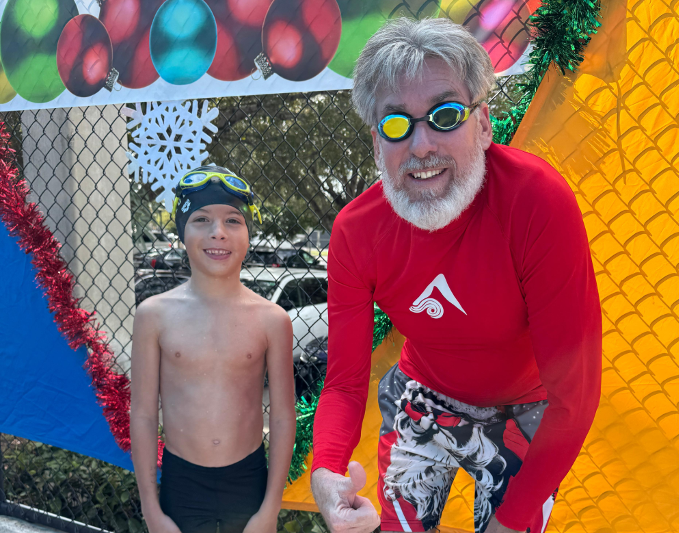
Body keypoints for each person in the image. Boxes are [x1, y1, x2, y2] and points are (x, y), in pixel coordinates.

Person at [311, 18, 602, 533]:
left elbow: (573, 397)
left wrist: (512, 520)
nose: (421, 145)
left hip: (527, 406)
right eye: (395, 124)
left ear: (484, 124)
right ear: (377, 145)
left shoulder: (537, 202)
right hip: (424, 395)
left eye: (445, 115)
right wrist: (326, 472)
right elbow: (344, 383)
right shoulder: (357, 232)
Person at [130, 166, 296, 533]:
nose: (217, 232)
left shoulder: (272, 320)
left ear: (248, 235)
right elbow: (142, 414)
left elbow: (284, 417)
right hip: (181, 483)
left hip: (249, 480)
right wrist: (151, 510)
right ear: (182, 231)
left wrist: (270, 509)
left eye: (232, 220)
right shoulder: (154, 315)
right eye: (201, 219)